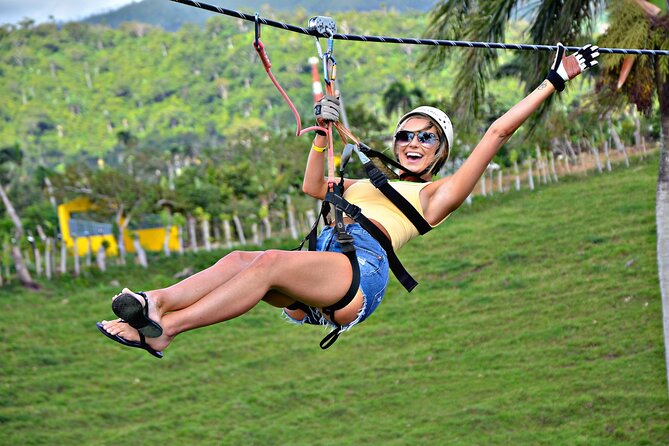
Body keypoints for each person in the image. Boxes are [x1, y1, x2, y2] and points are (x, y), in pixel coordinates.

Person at [97, 43, 599, 357]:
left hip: (363, 270)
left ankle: (167, 329)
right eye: (407, 134)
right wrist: (322, 134)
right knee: (240, 258)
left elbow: (496, 132)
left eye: (427, 139)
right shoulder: (365, 180)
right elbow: (313, 187)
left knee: (269, 262)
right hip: (326, 260)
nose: (413, 143)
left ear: (442, 153)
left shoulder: (435, 195)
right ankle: (153, 304)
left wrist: (557, 78)